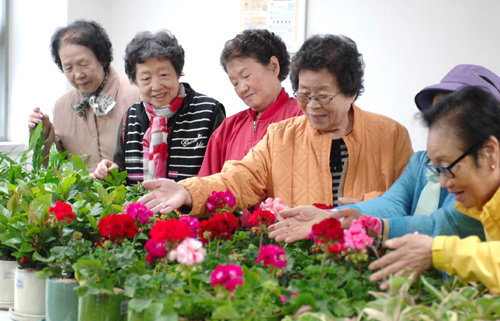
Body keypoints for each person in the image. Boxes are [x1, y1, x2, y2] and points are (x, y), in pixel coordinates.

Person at [137, 34, 413, 217]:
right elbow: (239, 178)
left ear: (351, 92)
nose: (313, 105)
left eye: (323, 95)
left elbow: (409, 202)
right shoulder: (281, 136)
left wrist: (362, 210)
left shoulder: (390, 135)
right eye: (304, 94)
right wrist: (187, 191)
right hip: (298, 259)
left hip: (366, 260)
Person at [269, 64, 500, 243]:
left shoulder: (480, 177)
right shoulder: (421, 161)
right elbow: (394, 202)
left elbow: (447, 225)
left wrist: (377, 226)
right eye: (437, 113)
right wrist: (334, 216)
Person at [369, 86, 500, 292]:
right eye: (436, 169)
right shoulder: (478, 202)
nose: (444, 183)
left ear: (489, 152)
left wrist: (439, 253)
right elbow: (440, 226)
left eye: (447, 167)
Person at [90, 31, 225, 184]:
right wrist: (108, 172)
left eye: (164, 75)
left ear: (178, 73)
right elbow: (121, 173)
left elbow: (221, 175)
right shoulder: (131, 117)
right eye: (146, 78)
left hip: (193, 207)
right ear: (136, 81)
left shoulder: (209, 112)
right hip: (141, 207)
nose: (156, 86)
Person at [28, 20, 140, 171]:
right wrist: (45, 134)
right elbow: (55, 166)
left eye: (84, 64)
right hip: (81, 195)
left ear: (103, 59)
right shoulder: (62, 106)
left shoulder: (136, 96)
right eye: (68, 68)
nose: (78, 75)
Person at [198, 29, 302, 176]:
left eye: (246, 76)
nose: (242, 88)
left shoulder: (302, 117)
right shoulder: (227, 129)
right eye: (234, 83)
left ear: (274, 66)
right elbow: (205, 187)